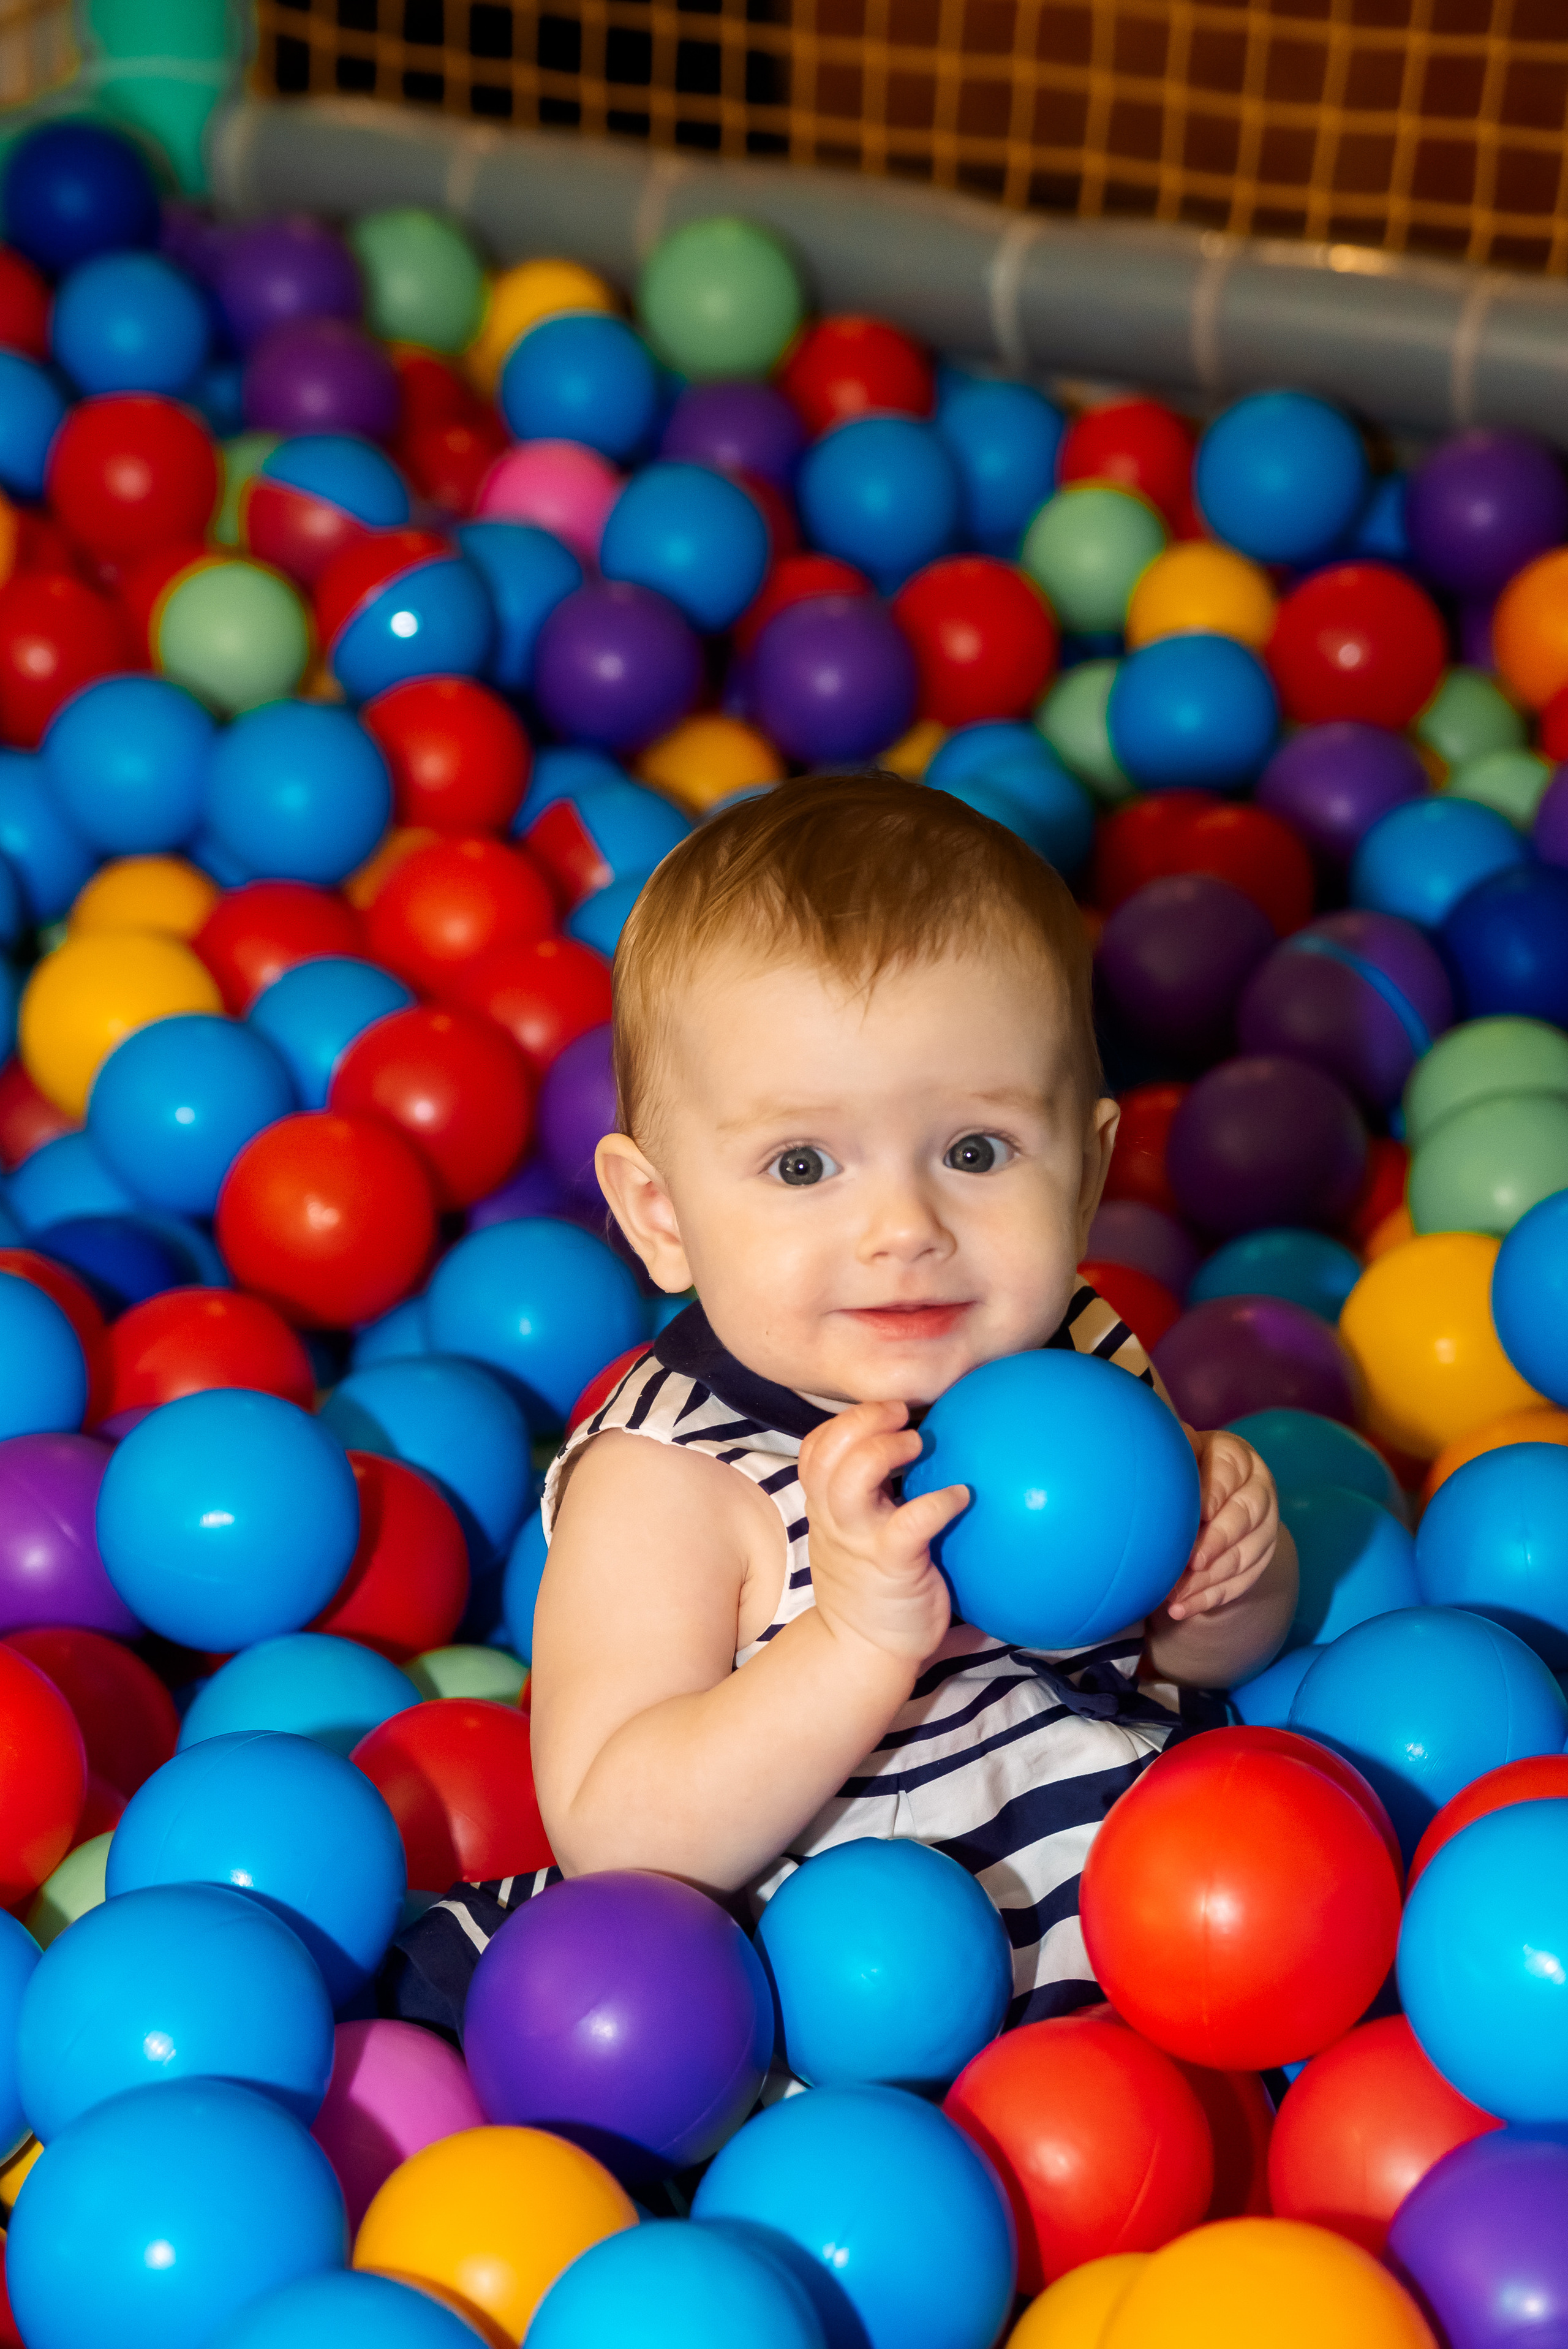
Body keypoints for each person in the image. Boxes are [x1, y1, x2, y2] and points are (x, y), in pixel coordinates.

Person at [387, 771, 1296, 2035]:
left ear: (1084, 1172)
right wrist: (857, 1643)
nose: (901, 1230)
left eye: (974, 1153)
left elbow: (1171, 1665)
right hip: (804, 2013)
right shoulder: (671, 1478)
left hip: (1153, 1930)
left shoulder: (1074, 1351)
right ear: (660, 1215)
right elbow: (617, 1825)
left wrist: (1226, 1581)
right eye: (801, 1164)